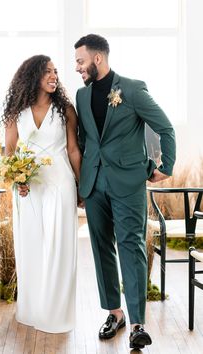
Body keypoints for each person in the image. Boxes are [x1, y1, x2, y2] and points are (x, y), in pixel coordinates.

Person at [74, 34, 176, 349]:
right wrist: (80, 182)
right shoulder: (81, 95)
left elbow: (165, 127)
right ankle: (114, 313)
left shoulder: (132, 89)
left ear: (97, 59)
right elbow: (82, 140)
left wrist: (166, 166)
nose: (77, 67)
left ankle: (137, 324)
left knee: (131, 248)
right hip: (94, 185)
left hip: (128, 182)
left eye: (80, 61)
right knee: (101, 247)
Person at [1, 54, 81, 333]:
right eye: (48, 71)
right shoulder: (15, 113)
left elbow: (73, 150)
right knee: (31, 245)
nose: (54, 76)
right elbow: (9, 153)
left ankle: (56, 314)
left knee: (59, 247)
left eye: (55, 71)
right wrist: (17, 180)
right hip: (28, 188)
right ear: (32, 75)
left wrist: (82, 186)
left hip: (60, 183)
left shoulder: (66, 110)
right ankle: (32, 309)